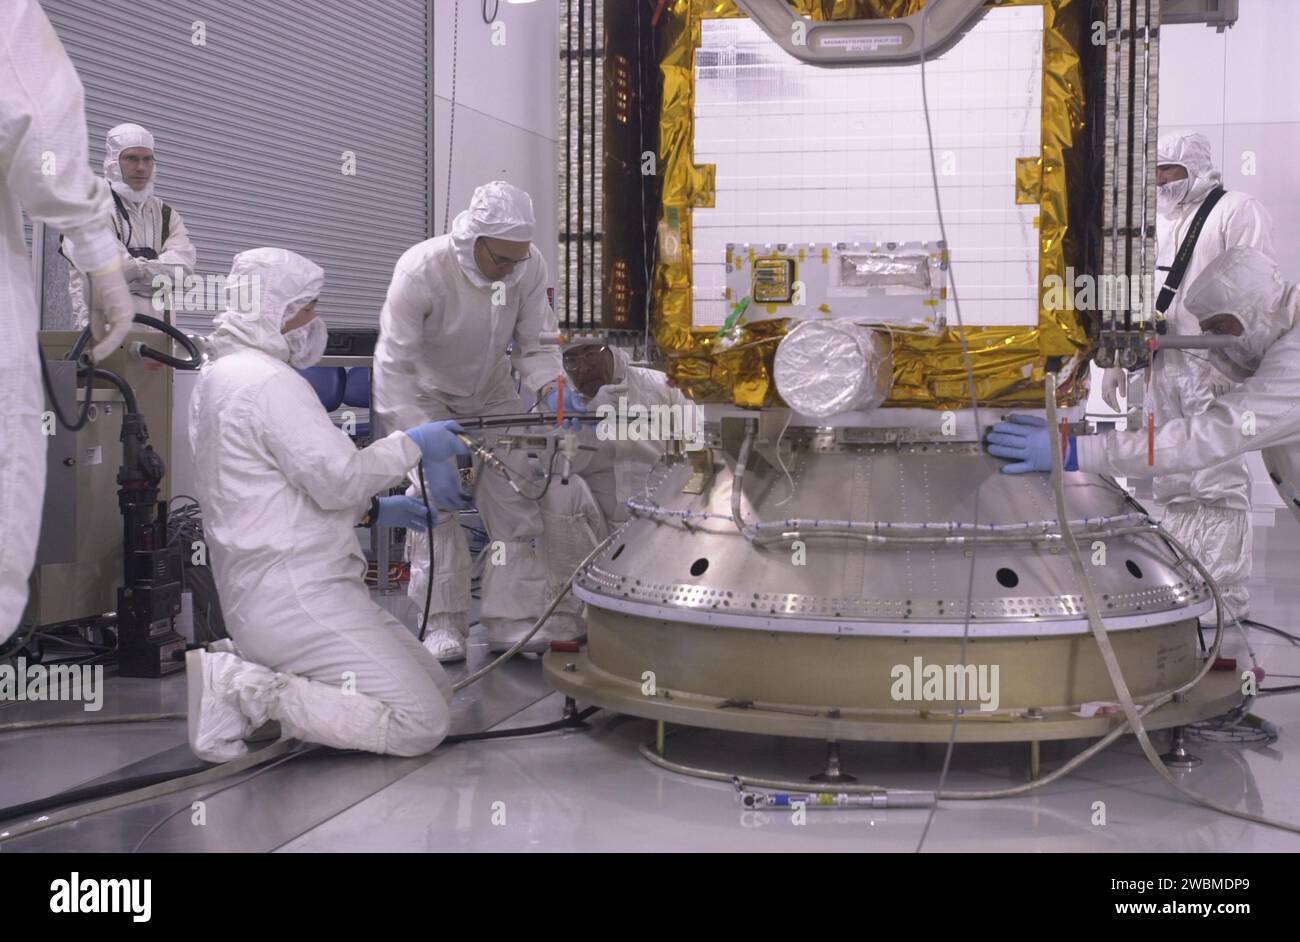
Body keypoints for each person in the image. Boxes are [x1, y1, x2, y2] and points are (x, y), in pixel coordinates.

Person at [185, 247, 471, 762]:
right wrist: (414, 443)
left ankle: (267, 680)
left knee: (438, 688)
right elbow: (338, 481)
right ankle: (241, 687)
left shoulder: (219, 376)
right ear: (270, 308)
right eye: (307, 307)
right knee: (420, 722)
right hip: (301, 598)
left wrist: (378, 514)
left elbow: (270, 488)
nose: (316, 321)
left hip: (271, 593)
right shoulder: (270, 382)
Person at [372, 181, 571, 661]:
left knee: (517, 502)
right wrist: (423, 440)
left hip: (494, 394)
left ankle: (513, 619)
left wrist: (558, 391)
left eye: (517, 259)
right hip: (428, 396)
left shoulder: (526, 266)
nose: (510, 269)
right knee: (434, 512)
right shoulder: (422, 268)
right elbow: (393, 366)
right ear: (473, 241)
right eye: (501, 259)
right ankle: (442, 623)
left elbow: (537, 346)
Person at [989, 248, 1300, 539]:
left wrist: (1076, 451)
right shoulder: (1281, 339)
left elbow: (1211, 435)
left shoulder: (1291, 366)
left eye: (1220, 328)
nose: (1214, 343)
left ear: (1252, 309)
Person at [1097, 133, 1274, 622]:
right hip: (1161, 369)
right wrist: (1117, 356)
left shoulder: (1235, 211)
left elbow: (1255, 286)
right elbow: (1139, 293)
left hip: (1211, 367)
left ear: (1195, 167)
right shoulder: (1155, 223)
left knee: (1216, 483)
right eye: (1154, 173)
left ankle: (1222, 605)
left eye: (1169, 171)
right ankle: (1182, 596)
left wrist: (1235, 353)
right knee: (1171, 482)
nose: (1160, 182)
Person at [0, 0, 133, 646]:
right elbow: (41, 131)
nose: (139, 169)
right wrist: (102, 258)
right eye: (130, 159)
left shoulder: (162, 215)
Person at [66, 123, 196, 325]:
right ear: (113, 162)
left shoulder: (166, 214)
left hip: (160, 334)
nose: (141, 167)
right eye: (131, 158)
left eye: (147, 159)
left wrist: (134, 270)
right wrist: (158, 272)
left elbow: (184, 271)